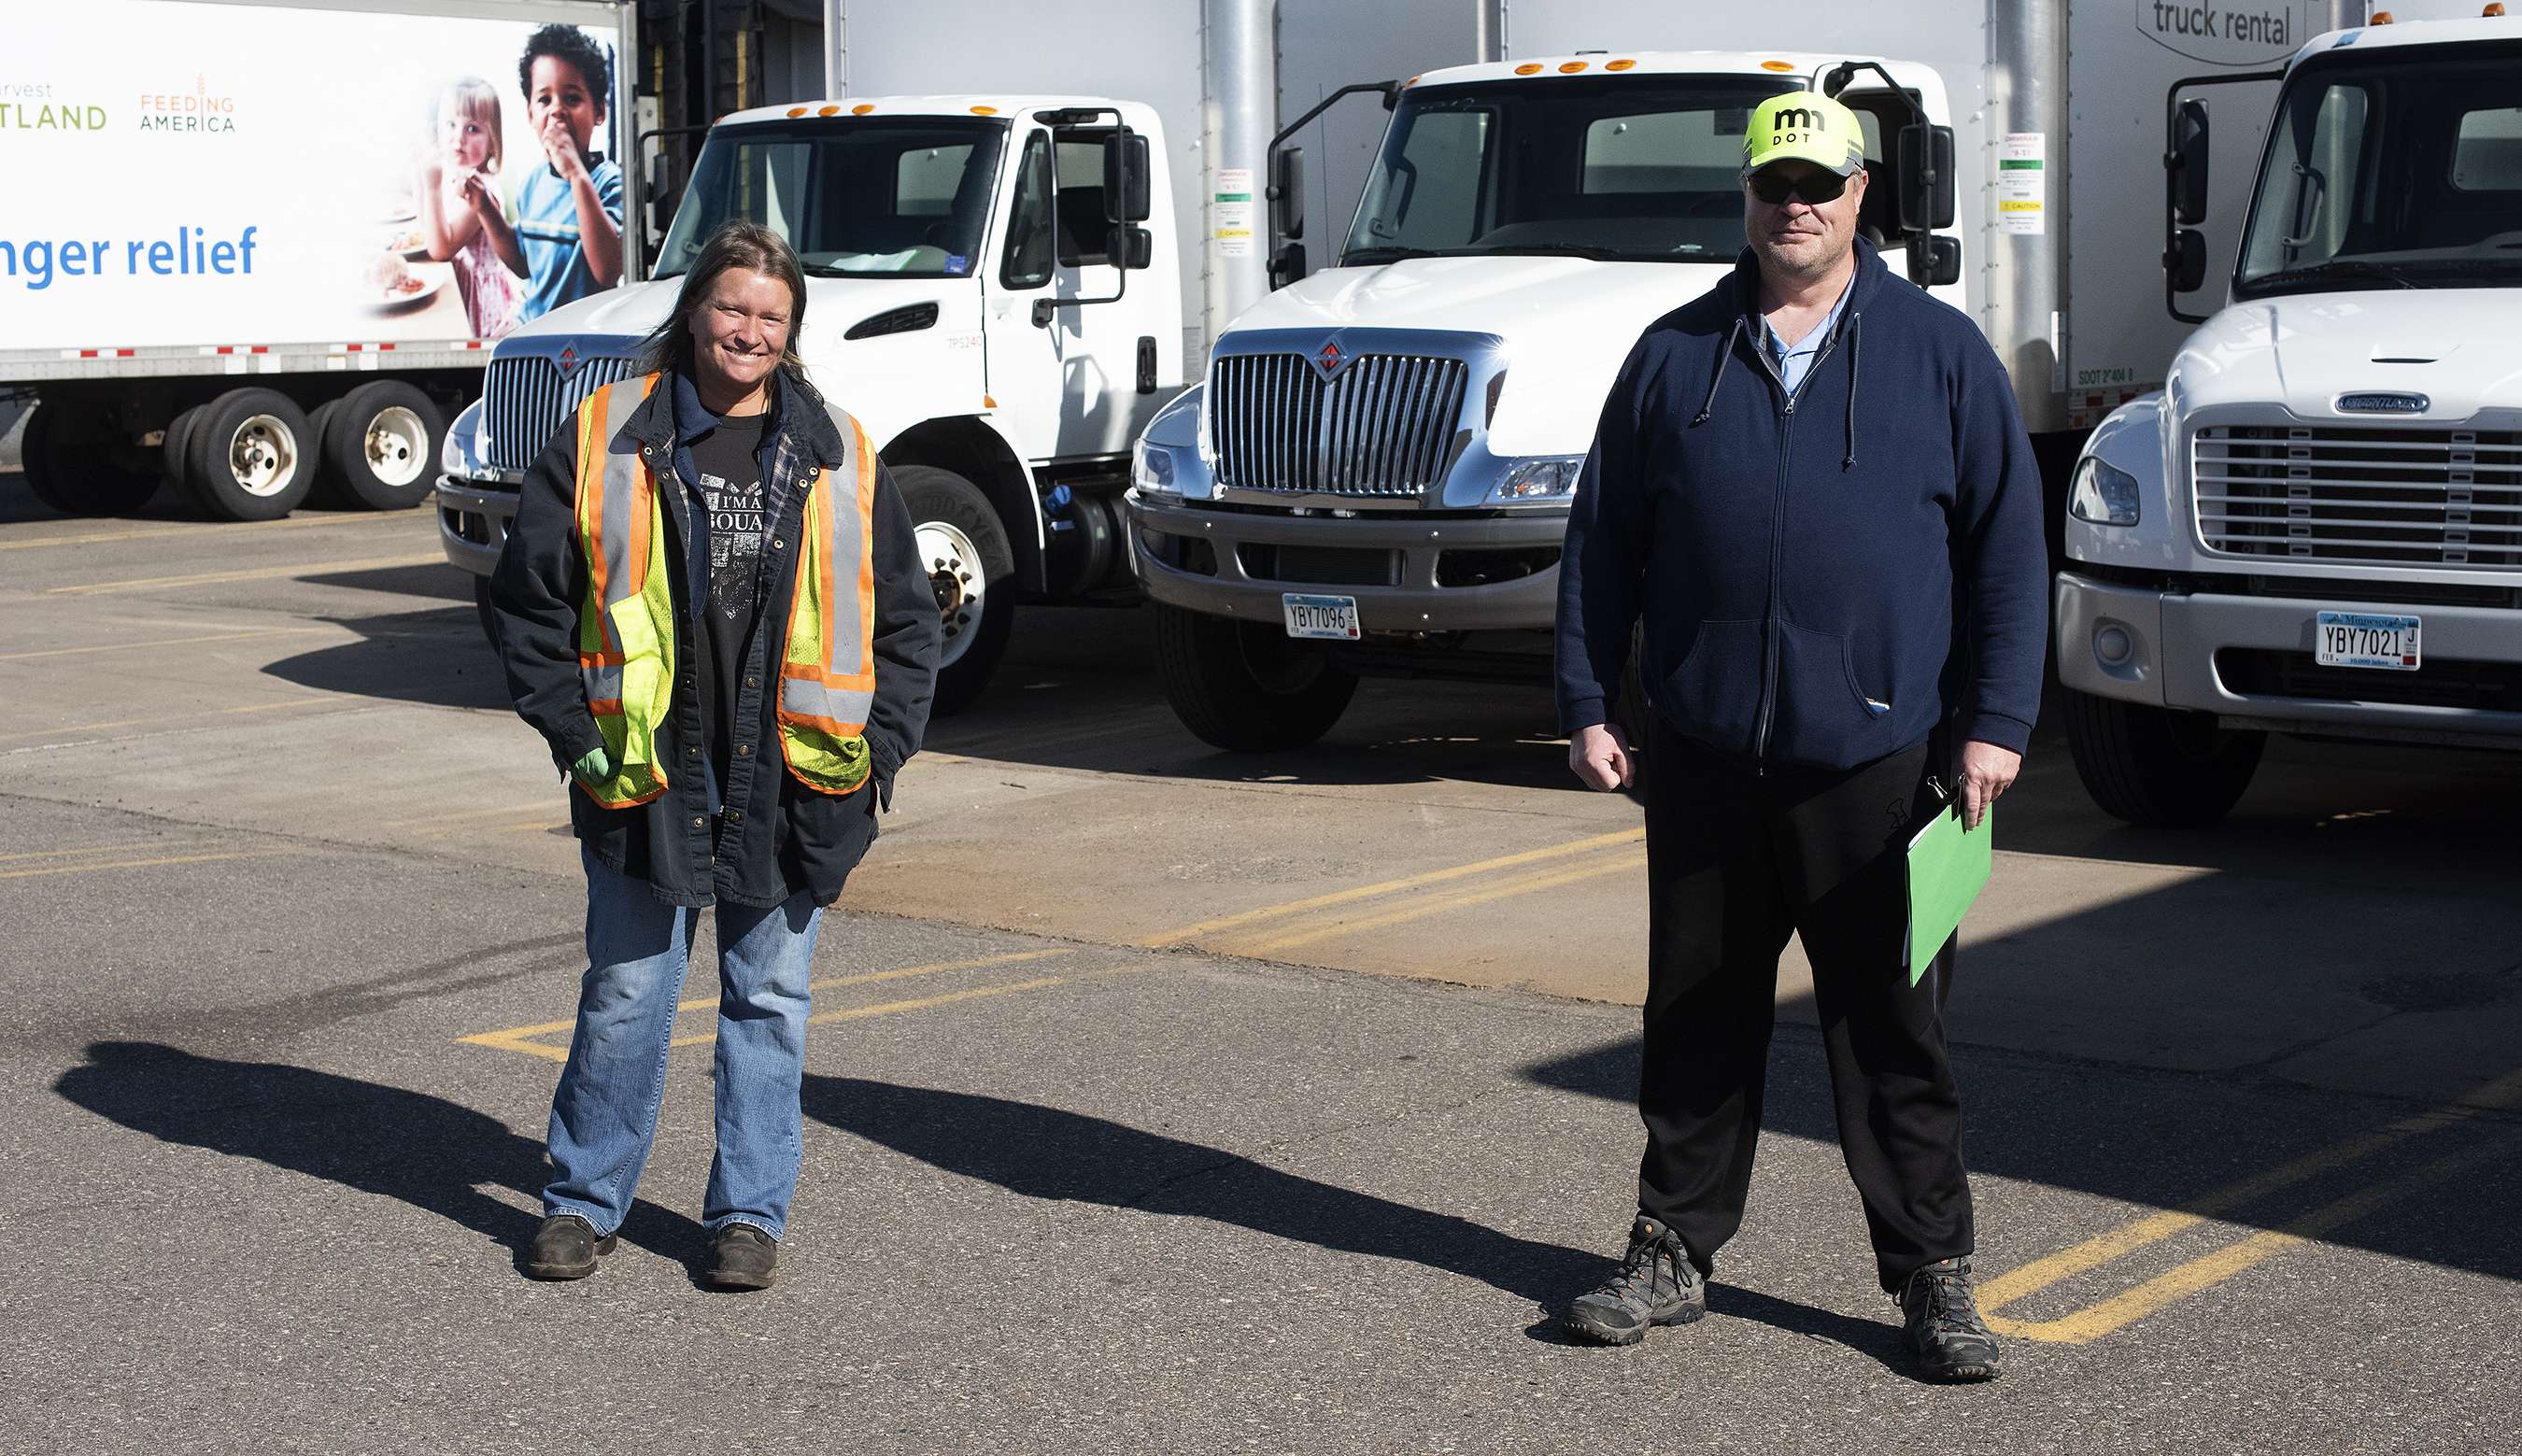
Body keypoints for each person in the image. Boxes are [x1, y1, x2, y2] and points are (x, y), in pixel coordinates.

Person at [1551, 91, 2045, 1381]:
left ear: (1861, 192)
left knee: (1894, 1031)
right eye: (1776, 183)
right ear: (1751, 196)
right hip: (1706, 754)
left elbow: (2006, 552)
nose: (1797, 204)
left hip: (1884, 767)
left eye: (1820, 181)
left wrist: (1996, 722)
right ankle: (1671, 1247)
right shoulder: (1674, 355)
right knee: (1697, 1014)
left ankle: (1933, 1274)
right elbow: (1603, 544)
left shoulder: (1940, 354)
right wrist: (1590, 699)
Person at [490, 219, 939, 1290]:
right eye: (731, 306)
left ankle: (747, 1212)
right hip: (647, 777)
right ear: (694, 308)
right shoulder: (604, 437)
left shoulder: (840, 450)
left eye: (769, 316)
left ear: (791, 334)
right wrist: (574, 737)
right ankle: (583, 1199)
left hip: (793, 785)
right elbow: (528, 606)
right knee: (628, 992)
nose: (747, 329)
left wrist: (878, 756)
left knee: (768, 1003)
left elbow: (908, 624)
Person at [472, 24, 623, 324]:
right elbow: (524, 264)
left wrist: (577, 175)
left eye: (572, 98)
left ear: (599, 113)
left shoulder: (609, 181)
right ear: (530, 114)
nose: (557, 110)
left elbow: (608, 270)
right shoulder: (532, 182)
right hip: (534, 330)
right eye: (544, 99)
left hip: (585, 340)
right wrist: (484, 208)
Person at [416, 77, 519, 339]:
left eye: (472, 129)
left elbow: (440, 249)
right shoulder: (455, 176)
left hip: (480, 302)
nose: (457, 138)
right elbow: (426, 227)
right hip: (458, 282)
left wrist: (432, 187)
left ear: (493, 143)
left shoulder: (480, 191)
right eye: (450, 124)